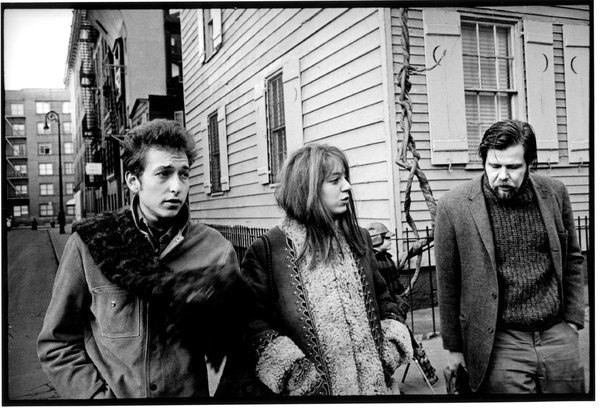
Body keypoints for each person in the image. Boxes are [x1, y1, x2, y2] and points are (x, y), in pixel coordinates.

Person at [37, 119, 248, 399]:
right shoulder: (90, 244)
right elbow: (57, 343)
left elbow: (236, 350)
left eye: (183, 175)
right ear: (133, 181)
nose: (177, 187)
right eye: (163, 174)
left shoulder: (216, 250)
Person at [218, 144, 413, 397]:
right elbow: (251, 326)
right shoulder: (269, 250)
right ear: (306, 189)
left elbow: (386, 302)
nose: (347, 187)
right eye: (335, 180)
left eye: (345, 177)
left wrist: (386, 355)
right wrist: (299, 376)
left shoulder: (359, 240)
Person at [435, 119, 585, 394]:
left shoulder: (555, 192)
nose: (502, 175)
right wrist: (453, 349)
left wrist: (573, 320)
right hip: (501, 342)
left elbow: (573, 258)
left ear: (531, 164)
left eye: (513, 167)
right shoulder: (452, 206)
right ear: (484, 163)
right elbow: (447, 283)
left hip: (558, 335)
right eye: (494, 166)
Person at [366, 222, 410, 320]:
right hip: (385, 306)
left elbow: (396, 281)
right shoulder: (373, 260)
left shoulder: (386, 257)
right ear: (376, 239)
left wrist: (402, 298)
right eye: (387, 238)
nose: (390, 241)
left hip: (396, 301)